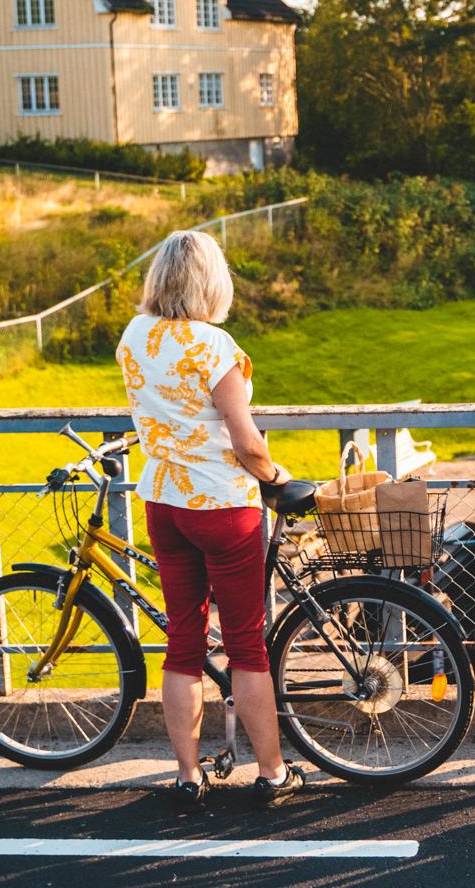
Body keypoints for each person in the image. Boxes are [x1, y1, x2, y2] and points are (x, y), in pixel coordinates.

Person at [117, 229, 301, 810]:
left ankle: (187, 776)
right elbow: (246, 443)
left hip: (164, 502)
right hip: (223, 505)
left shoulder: (135, 336)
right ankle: (271, 773)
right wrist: (276, 477)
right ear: (211, 281)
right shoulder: (216, 347)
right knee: (247, 646)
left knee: (184, 643)